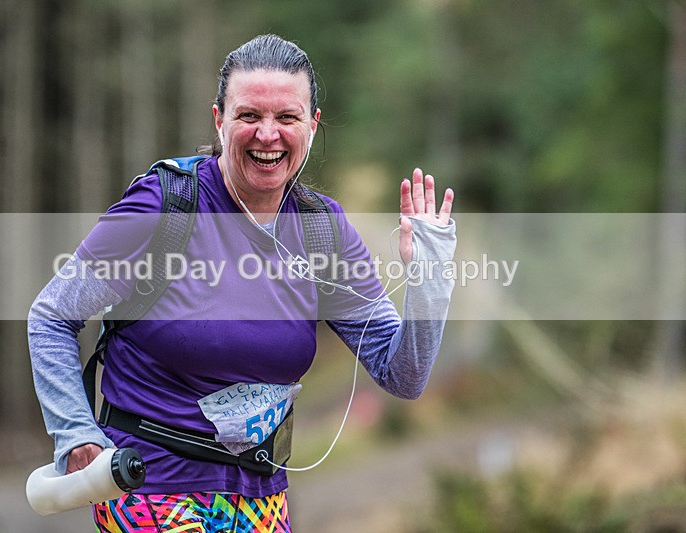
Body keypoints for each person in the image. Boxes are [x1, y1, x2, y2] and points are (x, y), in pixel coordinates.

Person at [28, 34, 456, 533]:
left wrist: (430, 278)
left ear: (313, 125)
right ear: (220, 120)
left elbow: (402, 374)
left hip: (261, 501)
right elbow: (53, 314)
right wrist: (75, 432)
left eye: (287, 117)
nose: (267, 135)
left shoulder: (322, 232)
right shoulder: (165, 207)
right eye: (249, 115)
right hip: (149, 486)